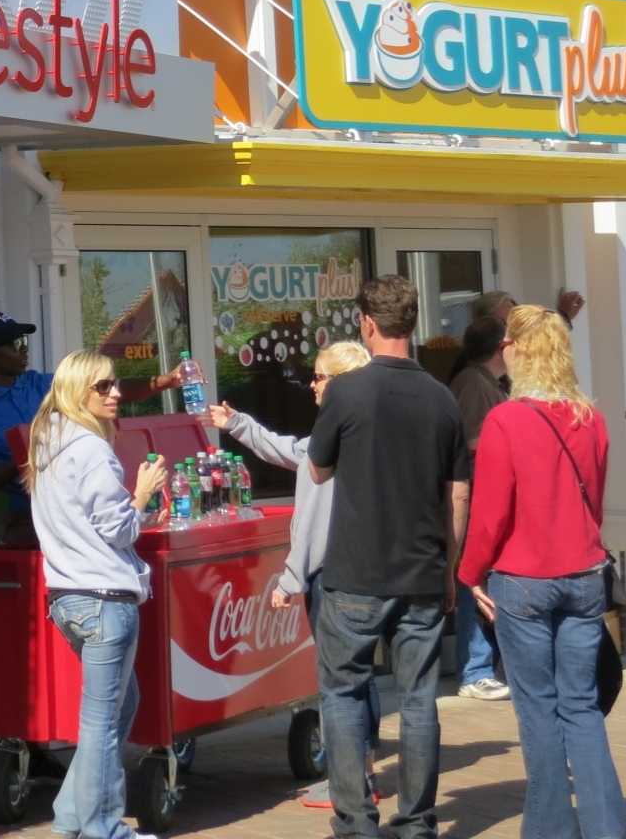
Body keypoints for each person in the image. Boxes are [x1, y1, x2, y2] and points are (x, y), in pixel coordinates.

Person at [308, 274, 466, 839]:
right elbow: (458, 494)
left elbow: (318, 469)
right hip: (422, 571)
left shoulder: (346, 392)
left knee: (343, 693)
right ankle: (417, 823)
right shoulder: (443, 398)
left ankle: (356, 823)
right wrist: (450, 568)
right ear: (413, 322)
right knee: (419, 698)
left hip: (355, 573)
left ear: (367, 323)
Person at [459, 306, 625, 839]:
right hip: (584, 571)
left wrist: (470, 573)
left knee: (538, 711)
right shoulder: (590, 418)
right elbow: (594, 502)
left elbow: (491, 512)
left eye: (508, 342)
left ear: (519, 350)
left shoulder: (506, 420)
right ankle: (605, 828)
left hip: (523, 577)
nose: (503, 350)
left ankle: (551, 830)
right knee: (581, 706)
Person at [211, 341, 381, 812]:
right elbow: (288, 450)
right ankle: (365, 772)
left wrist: (290, 580)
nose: (311, 384)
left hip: (335, 577)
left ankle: (350, 782)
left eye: (320, 376)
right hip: (374, 572)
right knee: (361, 677)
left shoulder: (334, 441)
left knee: (339, 682)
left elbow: (312, 524)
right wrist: (238, 423)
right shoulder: (370, 434)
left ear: (342, 384)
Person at [25, 350, 167, 839]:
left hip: (68, 598)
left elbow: (90, 523)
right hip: (104, 599)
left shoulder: (49, 441)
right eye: (103, 387)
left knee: (120, 707)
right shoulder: (90, 448)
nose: (116, 394)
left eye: (115, 384)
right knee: (103, 722)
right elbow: (118, 529)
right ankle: (103, 828)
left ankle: (71, 819)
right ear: (76, 391)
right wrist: (143, 491)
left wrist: (138, 510)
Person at [0, 312, 177, 549]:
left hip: (61, 515)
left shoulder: (41, 383)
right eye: (13, 344)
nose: (24, 348)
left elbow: (105, 389)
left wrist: (168, 381)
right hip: (6, 523)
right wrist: (33, 454)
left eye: (24, 340)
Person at [448, 315, 510, 702]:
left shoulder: (489, 383)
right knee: (475, 582)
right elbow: (467, 440)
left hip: (487, 498)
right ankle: (475, 670)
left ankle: (485, 666)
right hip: (474, 499)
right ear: (501, 347)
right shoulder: (473, 384)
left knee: (484, 582)